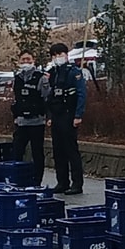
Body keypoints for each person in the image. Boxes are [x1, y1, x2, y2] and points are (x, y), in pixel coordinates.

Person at [46, 42, 87, 195]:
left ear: (66, 55)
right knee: (58, 151)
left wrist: (78, 115)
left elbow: (81, 94)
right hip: (56, 115)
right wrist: (49, 116)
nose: (58, 57)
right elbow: (49, 97)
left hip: (69, 114)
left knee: (71, 150)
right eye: (55, 55)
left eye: (60, 54)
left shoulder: (74, 72)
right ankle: (62, 182)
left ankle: (77, 183)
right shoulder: (53, 73)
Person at [10, 50, 50, 184]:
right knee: (17, 151)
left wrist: (47, 116)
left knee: (37, 153)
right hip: (21, 122)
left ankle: (37, 181)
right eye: (23, 60)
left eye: (28, 59)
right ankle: (18, 180)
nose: (26, 62)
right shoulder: (17, 78)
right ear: (19, 61)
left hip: (36, 122)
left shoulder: (41, 78)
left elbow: (46, 98)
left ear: (34, 60)